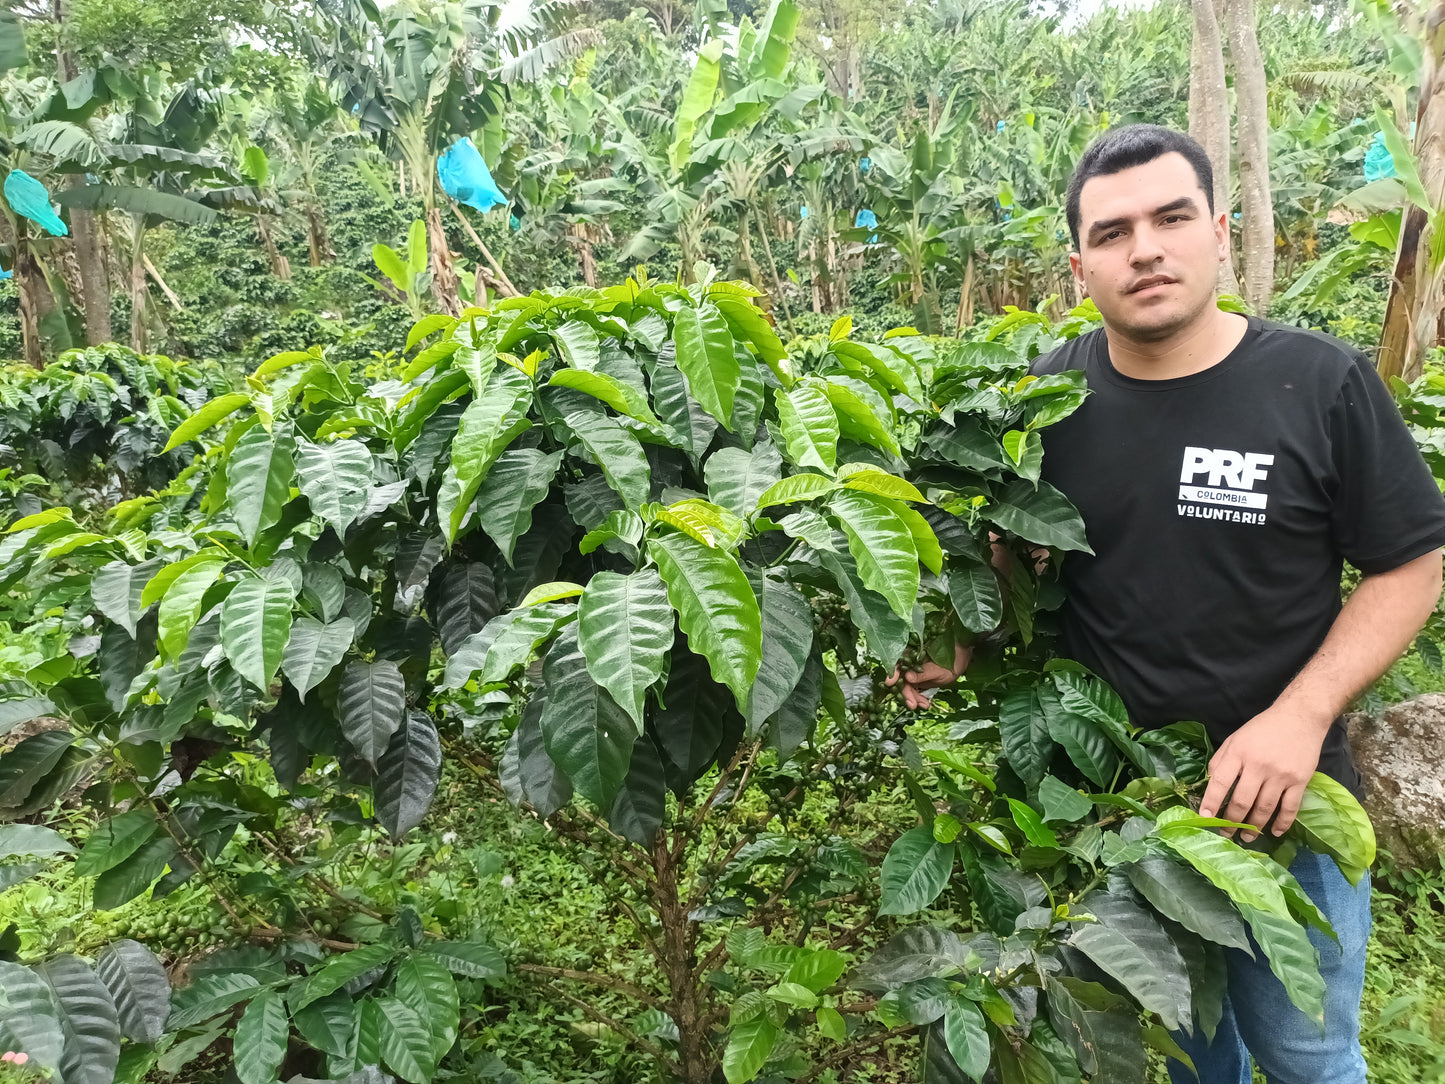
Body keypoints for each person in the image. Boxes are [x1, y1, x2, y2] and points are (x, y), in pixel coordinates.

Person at [895, 124, 1445, 1083]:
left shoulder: (1319, 385)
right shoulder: (1048, 396)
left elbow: (1410, 564)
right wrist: (964, 636)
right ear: (1079, 264)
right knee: (1190, 1056)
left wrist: (1299, 716)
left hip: (1288, 802)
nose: (1143, 248)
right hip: (1116, 812)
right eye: (1111, 233)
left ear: (1218, 233)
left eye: (1171, 217)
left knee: (1308, 1055)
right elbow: (1022, 544)